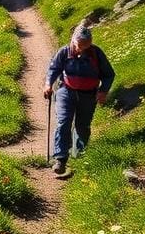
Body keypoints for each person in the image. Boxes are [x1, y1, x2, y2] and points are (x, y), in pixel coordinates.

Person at [44, 23, 115, 175]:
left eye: (86, 47)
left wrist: (103, 91)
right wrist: (48, 85)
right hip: (66, 91)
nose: (81, 50)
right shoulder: (64, 52)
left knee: (82, 126)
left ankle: (78, 155)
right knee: (63, 122)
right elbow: (54, 69)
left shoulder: (96, 53)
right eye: (79, 46)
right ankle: (60, 159)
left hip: (88, 95)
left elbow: (109, 74)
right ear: (73, 41)